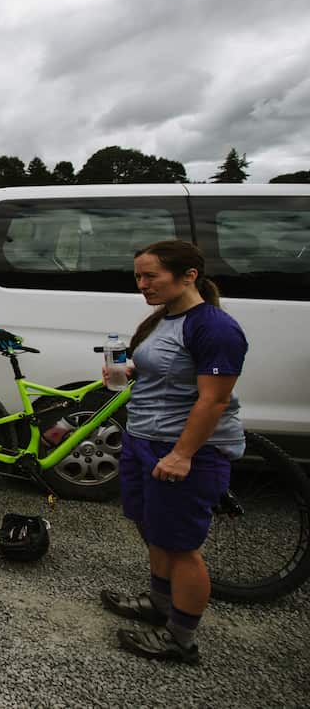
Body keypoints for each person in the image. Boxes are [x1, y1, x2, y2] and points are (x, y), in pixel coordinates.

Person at [99, 240, 247, 665]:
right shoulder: (166, 317)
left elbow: (213, 401)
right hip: (145, 440)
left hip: (184, 450)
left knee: (181, 546)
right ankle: (159, 604)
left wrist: (183, 454)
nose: (142, 285)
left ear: (189, 275)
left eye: (151, 276)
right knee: (153, 528)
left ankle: (181, 640)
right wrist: (131, 369)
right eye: (138, 277)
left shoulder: (214, 327)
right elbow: (165, 369)